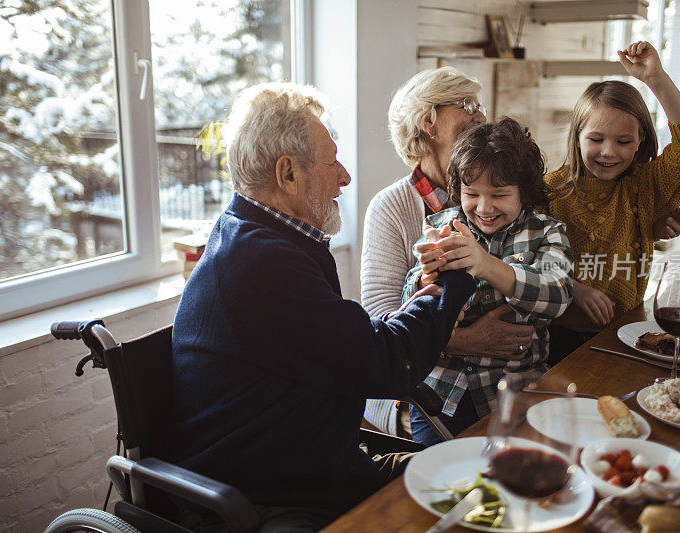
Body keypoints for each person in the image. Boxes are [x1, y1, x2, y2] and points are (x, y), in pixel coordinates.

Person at [169, 82, 476, 532]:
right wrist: (455, 278)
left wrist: (415, 306)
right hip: (275, 497)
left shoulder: (258, 237)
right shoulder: (261, 262)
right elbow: (388, 365)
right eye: (332, 162)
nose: (345, 177)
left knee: (472, 478)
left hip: (321, 462)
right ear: (288, 174)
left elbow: (344, 342)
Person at [360, 67, 537, 436]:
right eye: (466, 104)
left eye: (479, 104)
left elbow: (539, 253)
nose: (480, 115)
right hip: (420, 393)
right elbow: (380, 320)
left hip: (500, 380)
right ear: (428, 121)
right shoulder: (391, 206)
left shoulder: (489, 192)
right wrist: (469, 341)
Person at [402, 118, 574, 445]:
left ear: (524, 192)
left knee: (512, 479)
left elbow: (559, 295)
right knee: (437, 478)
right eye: (471, 193)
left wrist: (486, 265)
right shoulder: (441, 225)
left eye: (499, 194)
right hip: (441, 394)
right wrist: (426, 276)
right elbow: (409, 306)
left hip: (516, 392)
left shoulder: (546, 231)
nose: (483, 207)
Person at [545, 41, 680, 363]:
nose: (609, 152)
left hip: (627, 330)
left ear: (641, 143)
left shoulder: (645, 185)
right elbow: (528, 261)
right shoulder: (550, 191)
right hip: (556, 335)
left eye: (623, 141)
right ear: (577, 137)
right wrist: (575, 288)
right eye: (596, 139)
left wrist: (657, 79)